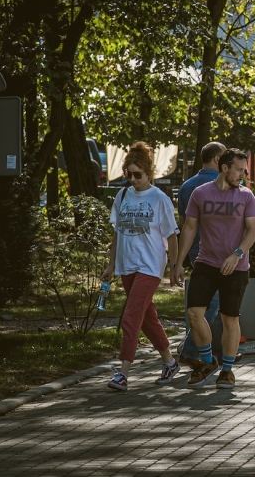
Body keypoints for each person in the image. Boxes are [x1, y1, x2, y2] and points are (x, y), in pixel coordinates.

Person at [172, 148, 255, 389]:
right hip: (206, 263)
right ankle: (209, 361)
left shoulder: (246, 196)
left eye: (244, 170)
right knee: (194, 314)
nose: (243, 175)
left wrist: (237, 254)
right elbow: (189, 228)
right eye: (240, 170)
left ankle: (227, 370)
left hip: (237, 266)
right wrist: (178, 263)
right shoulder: (201, 194)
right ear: (224, 167)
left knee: (229, 318)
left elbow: (253, 230)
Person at [102, 141, 180, 391]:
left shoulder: (159, 198)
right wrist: (111, 264)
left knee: (131, 316)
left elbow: (172, 235)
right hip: (127, 265)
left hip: (150, 265)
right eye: (129, 174)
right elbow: (117, 233)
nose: (133, 179)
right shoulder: (122, 195)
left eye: (138, 174)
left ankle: (123, 372)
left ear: (149, 173)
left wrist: (173, 266)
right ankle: (169, 362)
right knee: (147, 318)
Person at [176, 142, 226, 371]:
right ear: (217, 160)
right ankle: (189, 351)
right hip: (217, 252)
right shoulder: (222, 184)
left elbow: (185, 224)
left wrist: (180, 258)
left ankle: (216, 350)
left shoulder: (186, 187)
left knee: (210, 303)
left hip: (196, 251)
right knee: (211, 305)